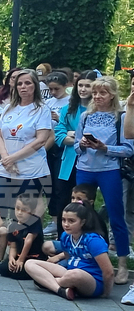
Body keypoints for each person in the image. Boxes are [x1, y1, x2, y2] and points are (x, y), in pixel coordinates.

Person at [73, 76, 132, 284]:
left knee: (116, 215)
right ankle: (82, 257)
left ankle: (122, 264)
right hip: (84, 169)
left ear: (112, 95)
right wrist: (82, 144)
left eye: (103, 93)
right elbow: (76, 147)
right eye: (95, 93)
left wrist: (105, 148)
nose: (97, 96)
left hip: (109, 170)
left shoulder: (121, 117)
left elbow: (128, 149)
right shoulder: (86, 116)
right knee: (80, 213)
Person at [26, 203, 114, 300]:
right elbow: (68, 259)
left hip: (92, 281)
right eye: (63, 220)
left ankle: (46, 282)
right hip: (69, 272)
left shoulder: (93, 240)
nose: (66, 224)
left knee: (76, 274)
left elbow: (108, 271)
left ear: (83, 222)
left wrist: (106, 293)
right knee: (30, 263)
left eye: (71, 221)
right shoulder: (65, 236)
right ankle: (60, 290)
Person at [0, 68, 53, 207]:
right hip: (6, 168)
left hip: (30, 170)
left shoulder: (42, 109)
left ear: (35, 86)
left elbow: (41, 140)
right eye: (19, 84)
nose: (23, 87)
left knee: (26, 212)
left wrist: (13, 158)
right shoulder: (8, 108)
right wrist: (6, 159)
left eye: (27, 83)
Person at [52, 71, 96, 233]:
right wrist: (77, 138)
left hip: (90, 161)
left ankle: (86, 237)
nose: (83, 89)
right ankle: (62, 237)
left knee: (84, 201)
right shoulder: (68, 109)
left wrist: (73, 134)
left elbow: (95, 137)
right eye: (80, 85)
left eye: (87, 86)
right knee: (63, 198)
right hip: (68, 160)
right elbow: (59, 134)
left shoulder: (99, 110)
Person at [0, 194, 47, 279]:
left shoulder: (35, 222)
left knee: (19, 273)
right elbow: (13, 246)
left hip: (34, 257)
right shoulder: (13, 226)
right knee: (3, 269)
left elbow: (28, 241)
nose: (19, 212)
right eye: (17, 208)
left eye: (24, 210)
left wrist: (21, 260)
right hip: (19, 255)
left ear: (32, 211)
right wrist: (11, 258)